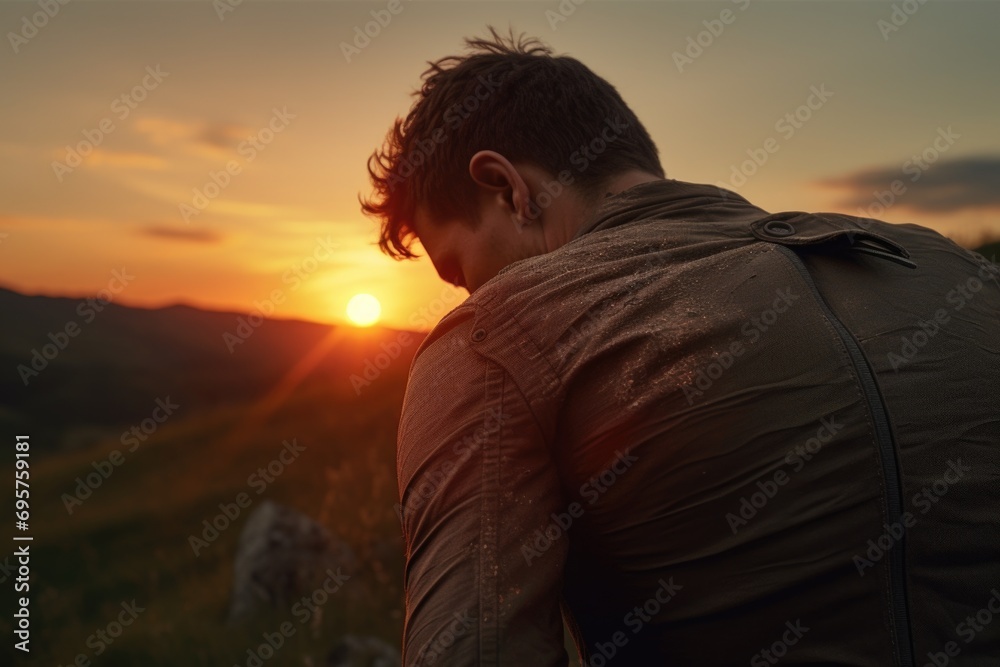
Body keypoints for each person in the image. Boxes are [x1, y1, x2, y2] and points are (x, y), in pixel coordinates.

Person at [361, 27, 1000, 667]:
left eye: (458, 269)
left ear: (507, 188)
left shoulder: (491, 337)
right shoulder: (954, 269)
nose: (467, 295)